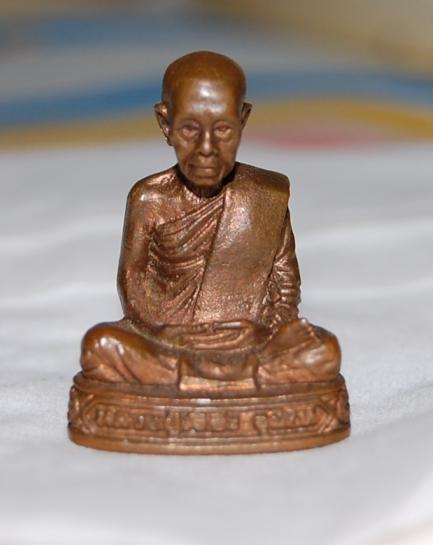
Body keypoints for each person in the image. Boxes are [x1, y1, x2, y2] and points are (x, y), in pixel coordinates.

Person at [80, 51, 340, 391]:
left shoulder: (266, 195)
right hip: (168, 341)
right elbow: (132, 282)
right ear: (165, 123)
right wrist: (169, 333)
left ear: (243, 120)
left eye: (223, 129)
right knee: (100, 345)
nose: (206, 148)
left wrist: (269, 332)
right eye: (190, 129)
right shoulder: (149, 199)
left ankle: (194, 380)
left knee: (323, 350)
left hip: (247, 340)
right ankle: (235, 380)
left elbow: (284, 282)